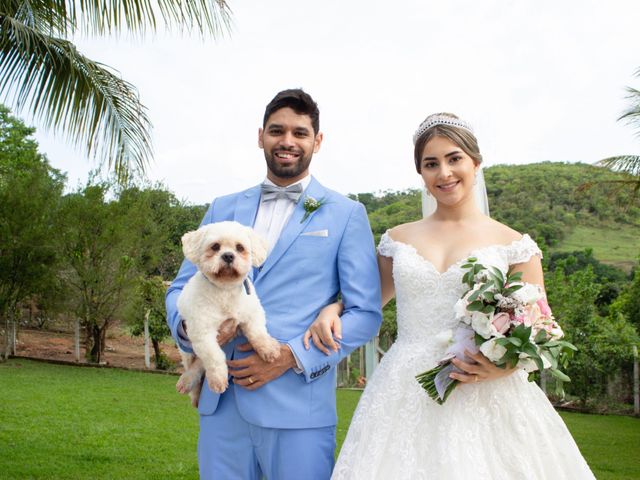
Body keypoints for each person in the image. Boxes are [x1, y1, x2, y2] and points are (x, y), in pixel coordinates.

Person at [305, 113, 595, 479]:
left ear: (475, 162)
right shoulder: (398, 240)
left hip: (482, 387)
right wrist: (334, 307)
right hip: (402, 388)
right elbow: (366, 300)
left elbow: (542, 328)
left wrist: (504, 365)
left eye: (454, 158)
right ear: (421, 174)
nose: (444, 172)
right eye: (431, 164)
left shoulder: (514, 245)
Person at [165, 88, 382, 480]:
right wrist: (190, 330)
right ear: (261, 135)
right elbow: (180, 288)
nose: (287, 141)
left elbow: (365, 313)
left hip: (298, 407)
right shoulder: (222, 207)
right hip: (222, 402)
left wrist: (292, 357)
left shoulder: (347, 214)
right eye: (277, 131)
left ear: (317, 141)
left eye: (300, 133)